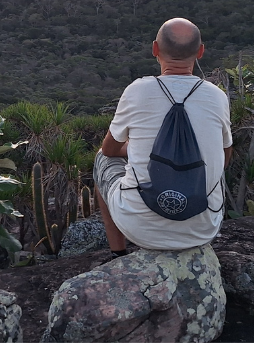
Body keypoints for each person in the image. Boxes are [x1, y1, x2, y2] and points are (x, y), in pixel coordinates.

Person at [94, 17, 233, 256]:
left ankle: (118, 252)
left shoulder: (137, 91)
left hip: (139, 228)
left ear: (155, 49)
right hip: (202, 230)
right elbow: (225, 158)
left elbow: (109, 150)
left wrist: (136, 148)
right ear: (200, 52)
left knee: (101, 159)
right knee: (215, 163)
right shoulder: (217, 96)